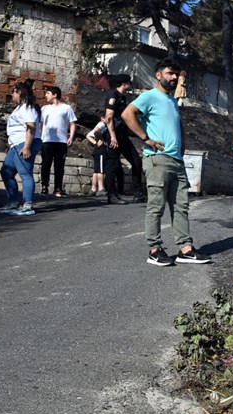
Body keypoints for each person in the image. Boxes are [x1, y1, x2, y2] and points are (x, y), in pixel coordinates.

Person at [122, 59, 211, 266]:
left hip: (176, 160)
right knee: (156, 206)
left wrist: (182, 145)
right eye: (170, 73)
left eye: (176, 74)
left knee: (181, 206)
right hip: (157, 159)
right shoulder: (149, 96)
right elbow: (127, 114)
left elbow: (176, 125)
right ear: (158, 74)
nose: (174, 77)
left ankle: (185, 249)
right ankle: (154, 250)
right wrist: (146, 138)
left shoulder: (171, 100)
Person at [0, 80, 41, 216]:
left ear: (19, 92)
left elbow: (31, 126)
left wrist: (27, 147)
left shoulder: (28, 107)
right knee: (6, 172)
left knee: (25, 174)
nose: (12, 95)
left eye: (13, 92)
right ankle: (13, 202)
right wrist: (10, 146)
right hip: (16, 144)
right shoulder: (20, 108)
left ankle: (27, 205)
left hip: (25, 143)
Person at [104, 74, 143, 204]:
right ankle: (111, 195)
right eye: (129, 83)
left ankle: (138, 193)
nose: (130, 85)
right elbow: (109, 117)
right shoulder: (113, 96)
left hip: (122, 135)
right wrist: (113, 136)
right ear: (124, 84)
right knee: (113, 165)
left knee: (136, 161)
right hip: (114, 135)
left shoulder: (122, 97)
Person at [39, 86, 77, 197]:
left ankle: (58, 188)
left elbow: (72, 123)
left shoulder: (66, 108)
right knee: (45, 164)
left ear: (54, 95)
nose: (46, 95)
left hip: (61, 141)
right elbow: (41, 123)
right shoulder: (44, 108)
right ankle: (44, 186)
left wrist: (71, 137)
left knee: (59, 166)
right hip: (47, 141)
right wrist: (41, 136)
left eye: (48, 93)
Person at [84, 115, 109, 196]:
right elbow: (96, 131)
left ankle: (93, 189)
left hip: (97, 150)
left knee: (96, 170)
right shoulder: (101, 125)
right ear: (102, 118)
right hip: (101, 150)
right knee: (101, 170)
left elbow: (88, 135)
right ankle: (101, 188)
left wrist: (95, 143)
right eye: (107, 117)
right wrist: (100, 140)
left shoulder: (101, 125)